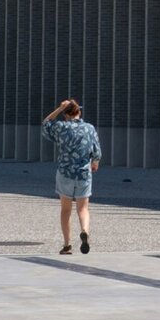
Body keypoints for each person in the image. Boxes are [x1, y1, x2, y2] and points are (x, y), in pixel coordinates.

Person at [41, 98, 102, 256]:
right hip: (83, 172)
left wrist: (59, 109)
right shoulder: (89, 128)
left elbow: (46, 123)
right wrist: (95, 162)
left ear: (65, 114)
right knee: (83, 208)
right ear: (79, 112)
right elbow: (96, 151)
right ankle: (84, 232)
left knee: (66, 209)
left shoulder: (61, 127)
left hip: (65, 172)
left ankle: (67, 245)